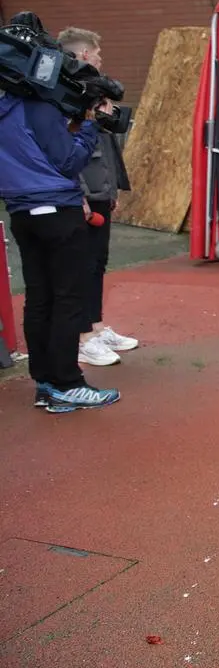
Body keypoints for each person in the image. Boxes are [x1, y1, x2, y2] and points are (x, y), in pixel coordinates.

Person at [0, 87, 120, 412]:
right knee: (68, 297)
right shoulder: (36, 105)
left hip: (20, 210)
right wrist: (91, 125)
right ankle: (68, 383)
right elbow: (69, 160)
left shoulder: (6, 107)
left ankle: (47, 384)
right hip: (55, 208)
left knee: (39, 298)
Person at [56, 27, 140, 367]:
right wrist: (80, 195)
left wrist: (114, 186)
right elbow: (64, 152)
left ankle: (96, 326)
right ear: (83, 55)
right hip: (81, 193)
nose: (101, 59)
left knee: (98, 263)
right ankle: (82, 337)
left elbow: (106, 144)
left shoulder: (94, 94)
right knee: (81, 265)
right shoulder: (62, 96)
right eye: (97, 53)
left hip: (101, 187)